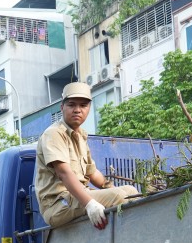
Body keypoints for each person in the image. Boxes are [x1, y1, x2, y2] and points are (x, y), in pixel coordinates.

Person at [35, 81, 139, 230]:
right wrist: (89, 204)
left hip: (77, 198)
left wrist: (111, 187)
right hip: (58, 204)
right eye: (72, 105)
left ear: (89, 109)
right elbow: (64, 173)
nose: (77, 110)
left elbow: (92, 172)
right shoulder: (53, 134)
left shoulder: (80, 136)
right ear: (62, 107)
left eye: (83, 105)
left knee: (130, 192)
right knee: (119, 197)